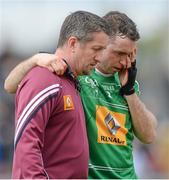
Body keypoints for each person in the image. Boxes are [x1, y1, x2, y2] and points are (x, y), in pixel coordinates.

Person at [4, 11, 157, 179]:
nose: (124, 61)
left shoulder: (126, 82)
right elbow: (10, 85)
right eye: (119, 53)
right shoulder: (78, 75)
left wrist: (130, 92)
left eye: (130, 55)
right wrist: (35, 59)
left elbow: (149, 135)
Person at [4, 11, 111, 179]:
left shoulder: (72, 80)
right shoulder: (45, 79)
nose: (100, 58)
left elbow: (9, 85)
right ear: (73, 43)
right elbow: (26, 144)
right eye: (96, 49)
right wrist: (34, 60)